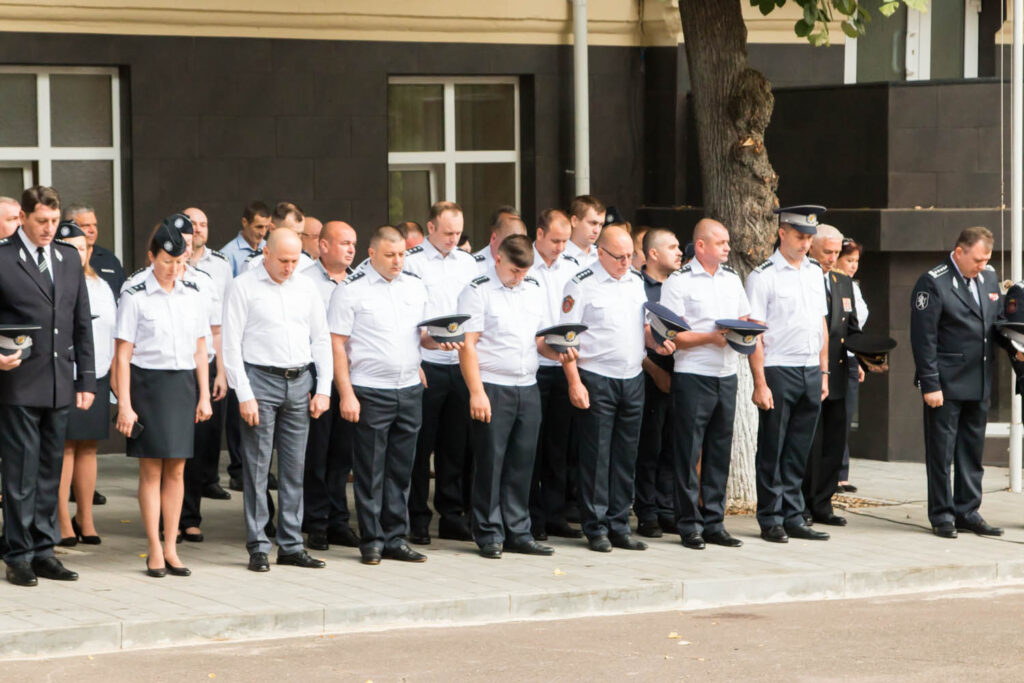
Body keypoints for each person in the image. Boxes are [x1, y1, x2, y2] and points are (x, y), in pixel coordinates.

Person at [0, 186, 95, 587]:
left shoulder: (68, 257)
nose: (49, 228)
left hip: (59, 381)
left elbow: (81, 321)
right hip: (19, 380)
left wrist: (86, 378)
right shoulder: (3, 257)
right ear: (23, 217)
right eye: (41, 221)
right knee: (21, 473)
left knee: (49, 472)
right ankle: (18, 554)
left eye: (54, 221)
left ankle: (43, 551)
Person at [222, 229, 332, 572]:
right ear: (266, 253)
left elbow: (321, 338)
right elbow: (230, 344)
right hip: (260, 380)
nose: (289, 267)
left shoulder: (306, 286)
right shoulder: (243, 286)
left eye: (295, 260)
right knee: (257, 468)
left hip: (300, 380)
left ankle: (291, 545)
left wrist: (324, 388)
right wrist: (244, 394)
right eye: (283, 260)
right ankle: (258, 545)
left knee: (294, 468)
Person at [560, 224, 670, 552]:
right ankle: (595, 528)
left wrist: (658, 343)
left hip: (632, 377)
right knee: (596, 456)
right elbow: (566, 340)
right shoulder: (581, 284)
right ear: (600, 253)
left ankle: (619, 525)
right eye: (618, 257)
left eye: (629, 256)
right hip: (596, 377)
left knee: (626, 455)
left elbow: (643, 328)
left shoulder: (635, 281)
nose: (625, 262)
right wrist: (574, 382)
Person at [329, 225, 434, 565]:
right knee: (371, 470)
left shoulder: (415, 286)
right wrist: (346, 393)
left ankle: (395, 538)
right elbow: (337, 344)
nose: (397, 261)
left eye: (401, 254)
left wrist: (442, 339)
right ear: (372, 254)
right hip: (370, 389)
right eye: (390, 255)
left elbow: (422, 336)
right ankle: (372, 540)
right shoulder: (351, 290)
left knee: (401, 471)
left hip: (409, 388)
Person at [114, 216, 212, 578]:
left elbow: (200, 350)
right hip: (148, 386)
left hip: (182, 385)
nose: (173, 269)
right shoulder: (136, 296)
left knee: (177, 468)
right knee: (151, 469)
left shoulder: (193, 295)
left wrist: (204, 395)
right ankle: (154, 547)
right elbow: (122, 356)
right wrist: (125, 404)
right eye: (167, 261)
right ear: (152, 257)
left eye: (179, 262)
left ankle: (172, 546)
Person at [910, 226, 1017, 539]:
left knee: (971, 451)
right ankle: (942, 515)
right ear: (959, 252)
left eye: (987, 259)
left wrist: (1016, 347)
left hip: (978, 378)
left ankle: (967, 511)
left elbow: (995, 324)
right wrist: (930, 384)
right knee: (941, 453)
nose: (982, 265)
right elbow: (924, 339)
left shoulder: (988, 278)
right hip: (945, 383)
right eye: (978, 259)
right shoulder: (934, 281)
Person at [459, 234, 554, 559]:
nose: (519, 277)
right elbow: (468, 345)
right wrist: (476, 392)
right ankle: (488, 532)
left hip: (527, 384)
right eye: (514, 270)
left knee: (522, 463)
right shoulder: (477, 291)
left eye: (524, 271)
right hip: (493, 384)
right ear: (498, 259)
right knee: (490, 462)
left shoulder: (533, 289)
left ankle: (518, 531)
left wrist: (560, 351)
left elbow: (539, 340)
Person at [660, 219, 752, 550]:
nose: (727, 247)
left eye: (727, 242)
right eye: (721, 242)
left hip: (726, 374)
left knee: (719, 450)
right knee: (688, 452)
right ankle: (688, 524)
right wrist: (710, 338)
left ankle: (714, 522)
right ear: (700, 246)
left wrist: (744, 332)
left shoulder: (732, 279)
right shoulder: (679, 281)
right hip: (693, 374)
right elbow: (672, 334)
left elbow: (744, 320)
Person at [746, 205, 830, 544]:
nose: (806, 243)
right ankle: (770, 517)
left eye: (810, 237)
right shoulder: (763, 275)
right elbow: (754, 334)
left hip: (810, 368)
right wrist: (760, 382)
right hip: (778, 368)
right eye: (799, 236)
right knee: (773, 447)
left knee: (798, 449)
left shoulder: (814, 271)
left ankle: (794, 515)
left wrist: (823, 371)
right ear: (782, 233)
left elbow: (821, 324)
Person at [403, 201, 480, 544]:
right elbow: (406, 318)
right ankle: (417, 517)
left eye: (458, 233)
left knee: (455, 446)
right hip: (426, 363)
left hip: (460, 362)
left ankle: (451, 515)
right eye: (447, 232)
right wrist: (414, 362)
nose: (453, 239)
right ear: (430, 227)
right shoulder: (412, 262)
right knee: (421, 447)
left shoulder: (468, 262)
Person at [301, 220, 360, 550]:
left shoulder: (359, 280)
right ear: (323, 246)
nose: (351, 249)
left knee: (343, 453)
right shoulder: (304, 281)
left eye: (353, 243)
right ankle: (316, 521)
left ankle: (339, 520)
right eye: (344, 243)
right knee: (317, 453)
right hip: (316, 374)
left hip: (351, 376)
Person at [57, 220, 116, 547]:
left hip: (97, 375)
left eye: (82, 248)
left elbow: (114, 332)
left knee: (89, 446)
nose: (77, 254)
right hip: (65, 375)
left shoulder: (100, 285)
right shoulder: (53, 282)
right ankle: (62, 519)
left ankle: (85, 517)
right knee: (65, 447)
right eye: (70, 249)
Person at [527, 209, 584, 540]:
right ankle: (532, 517)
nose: (561, 247)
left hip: (563, 364)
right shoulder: (525, 265)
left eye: (565, 241)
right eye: (555, 240)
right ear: (539, 234)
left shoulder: (572, 268)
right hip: (532, 364)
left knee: (558, 445)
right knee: (532, 446)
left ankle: (554, 514)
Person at [803, 224, 860, 528]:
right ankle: (801, 504)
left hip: (838, 371)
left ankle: (823, 503)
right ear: (811, 247)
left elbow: (852, 329)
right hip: (809, 370)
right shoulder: (803, 278)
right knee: (809, 444)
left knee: (834, 443)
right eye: (827, 252)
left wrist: (869, 356)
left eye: (837, 252)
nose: (832, 258)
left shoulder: (841, 281)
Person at [633, 228, 682, 538]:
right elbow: (631, 337)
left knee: (673, 446)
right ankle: (647, 512)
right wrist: (654, 371)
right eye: (672, 247)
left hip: (680, 374)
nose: (679, 252)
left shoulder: (681, 284)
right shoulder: (636, 286)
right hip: (648, 374)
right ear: (653, 253)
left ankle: (667, 509)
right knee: (649, 447)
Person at [183, 206, 233, 506]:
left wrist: (223, 371)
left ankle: (207, 481)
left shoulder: (221, 265)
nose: (198, 229)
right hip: (176, 364)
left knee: (209, 429)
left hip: (211, 357)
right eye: (192, 224)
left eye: (203, 224)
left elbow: (222, 322)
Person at [835, 238, 866, 492]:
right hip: (832, 358)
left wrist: (861, 361)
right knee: (832, 417)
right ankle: (830, 473)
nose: (853, 265)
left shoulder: (853, 288)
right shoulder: (829, 285)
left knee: (846, 415)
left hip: (851, 357)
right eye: (848, 260)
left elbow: (856, 328)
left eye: (856, 261)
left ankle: (842, 472)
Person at [64, 204, 126, 299]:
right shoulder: (58, 258)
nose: (92, 230)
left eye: (95, 225)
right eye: (86, 225)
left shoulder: (109, 259)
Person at [245, 202, 315, 273]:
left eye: (299, 234)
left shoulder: (308, 262)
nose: (296, 239)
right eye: (290, 233)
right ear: (272, 228)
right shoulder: (254, 263)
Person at [221, 201, 271, 277]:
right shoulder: (227, 254)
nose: (263, 233)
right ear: (244, 222)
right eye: (259, 227)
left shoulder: (269, 247)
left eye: (266, 227)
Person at [472, 206, 526, 274]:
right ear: (493, 238)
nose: (515, 249)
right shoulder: (472, 265)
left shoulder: (527, 268)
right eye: (510, 243)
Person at [563, 195, 606, 269]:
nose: (597, 230)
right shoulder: (556, 256)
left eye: (601, 225)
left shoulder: (604, 256)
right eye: (593, 223)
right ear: (574, 221)